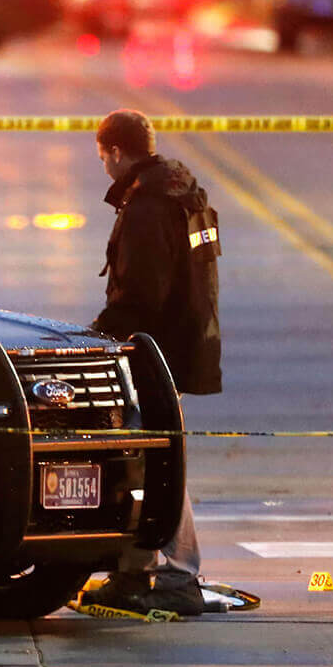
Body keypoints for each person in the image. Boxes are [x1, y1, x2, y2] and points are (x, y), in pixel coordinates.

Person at [80, 110, 227, 618]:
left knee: (157, 464)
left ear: (116, 152)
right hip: (181, 346)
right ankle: (136, 569)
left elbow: (140, 295)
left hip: (152, 353)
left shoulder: (146, 206)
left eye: (102, 157)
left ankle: (177, 572)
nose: (103, 167)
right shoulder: (183, 193)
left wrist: (95, 338)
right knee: (146, 460)